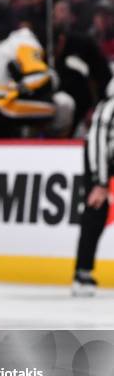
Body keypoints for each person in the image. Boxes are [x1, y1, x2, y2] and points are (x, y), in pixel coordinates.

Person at [72, 95, 114, 296]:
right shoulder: (110, 106)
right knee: (96, 209)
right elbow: (97, 140)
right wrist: (100, 181)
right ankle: (82, 273)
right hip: (100, 158)